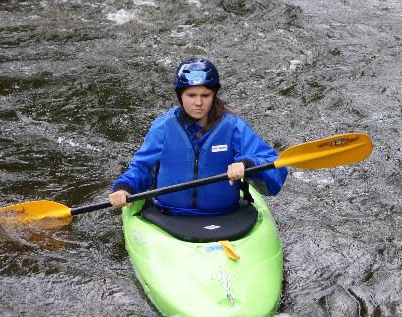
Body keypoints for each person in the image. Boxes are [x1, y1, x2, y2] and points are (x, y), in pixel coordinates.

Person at [108, 56, 287, 216]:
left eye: (205, 95)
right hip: (168, 213)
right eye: (191, 95)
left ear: (214, 94)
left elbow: (275, 167)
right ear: (180, 96)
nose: (199, 102)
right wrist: (124, 188)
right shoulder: (163, 127)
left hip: (224, 214)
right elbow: (142, 169)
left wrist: (248, 164)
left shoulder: (233, 127)